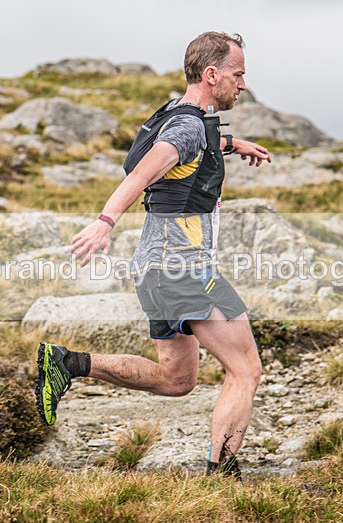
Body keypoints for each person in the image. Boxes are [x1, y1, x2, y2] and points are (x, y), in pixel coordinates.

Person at [35, 31, 272, 478]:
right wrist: (105, 222)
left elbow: (186, 146)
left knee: (177, 381)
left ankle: (67, 363)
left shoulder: (176, 114)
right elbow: (143, 172)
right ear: (212, 74)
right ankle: (222, 475)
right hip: (183, 267)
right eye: (238, 75)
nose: (243, 84)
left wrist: (233, 145)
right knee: (247, 371)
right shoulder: (183, 128)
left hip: (155, 270)